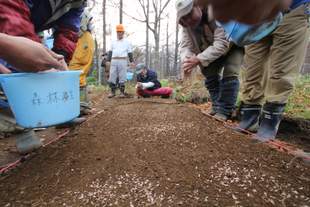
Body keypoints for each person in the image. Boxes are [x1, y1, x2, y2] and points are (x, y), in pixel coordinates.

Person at [232, 0, 310, 141]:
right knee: (252, 68)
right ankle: (249, 118)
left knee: (282, 70)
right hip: (258, 16)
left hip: (292, 9)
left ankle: (269, 123)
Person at [176, 0, 244, 121]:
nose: (188, 21)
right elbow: (185, 46)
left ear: (197, 6)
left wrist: (198, 58)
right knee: (208, 72)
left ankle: (226, 109)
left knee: (231, 71)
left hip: (232, 45)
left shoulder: (217, 11)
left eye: (189, 15)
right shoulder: (187, 27)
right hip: (210, 50)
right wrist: (187, 59)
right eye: (184, 18)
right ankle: (217, 105)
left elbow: (222, 43)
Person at [69, 9, 95, 116]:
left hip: (79, 62)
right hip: (76, 62)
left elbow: (81, 61)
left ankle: (81, 105)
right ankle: (79, 106)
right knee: (77, 76)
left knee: (79, 75)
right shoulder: (80, 34)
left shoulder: (85, 36)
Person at [107, 24, 134, 98]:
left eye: (121, 32)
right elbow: (110, 52)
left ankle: (122, 92)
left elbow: (130, 52)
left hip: (123, 60)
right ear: (116, 32)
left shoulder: (127, 42)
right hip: (114, 60)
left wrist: (131, 61)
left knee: (122, 76)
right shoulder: (113, 41)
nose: (119, 33)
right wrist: (108, 61)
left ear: (123, 33)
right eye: (118, 32)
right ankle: (112, 92)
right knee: (112, 75)